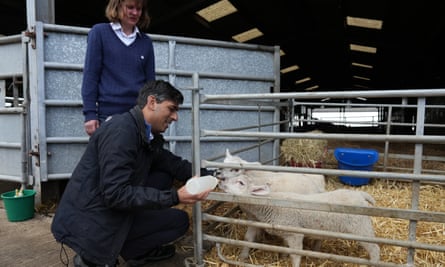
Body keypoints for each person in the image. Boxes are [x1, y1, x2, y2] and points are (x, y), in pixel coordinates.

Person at [52, 80, 214, 267]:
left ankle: (133, 249)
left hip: (108, 206)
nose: (175, 117)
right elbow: (115, 194)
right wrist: (175, 196)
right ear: (152, 102)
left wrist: (212, 174)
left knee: (164, 175)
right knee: (179, 221)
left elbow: (172, 164)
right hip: (93, 219)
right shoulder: (122, 132)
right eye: (171, 109)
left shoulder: (144, 132)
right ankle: (92, 257)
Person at [82, 0, 155, 136]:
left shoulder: (146, 42)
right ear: (117, 6)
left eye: (139, 9)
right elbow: (91, 76)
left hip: (138, 116)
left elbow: (150, 84)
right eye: (130, 7)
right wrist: (90, 114)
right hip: (108, 116)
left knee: (140, 157)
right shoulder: (99, 33)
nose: (135, 13)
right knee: (112, 157)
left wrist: (150, 115)